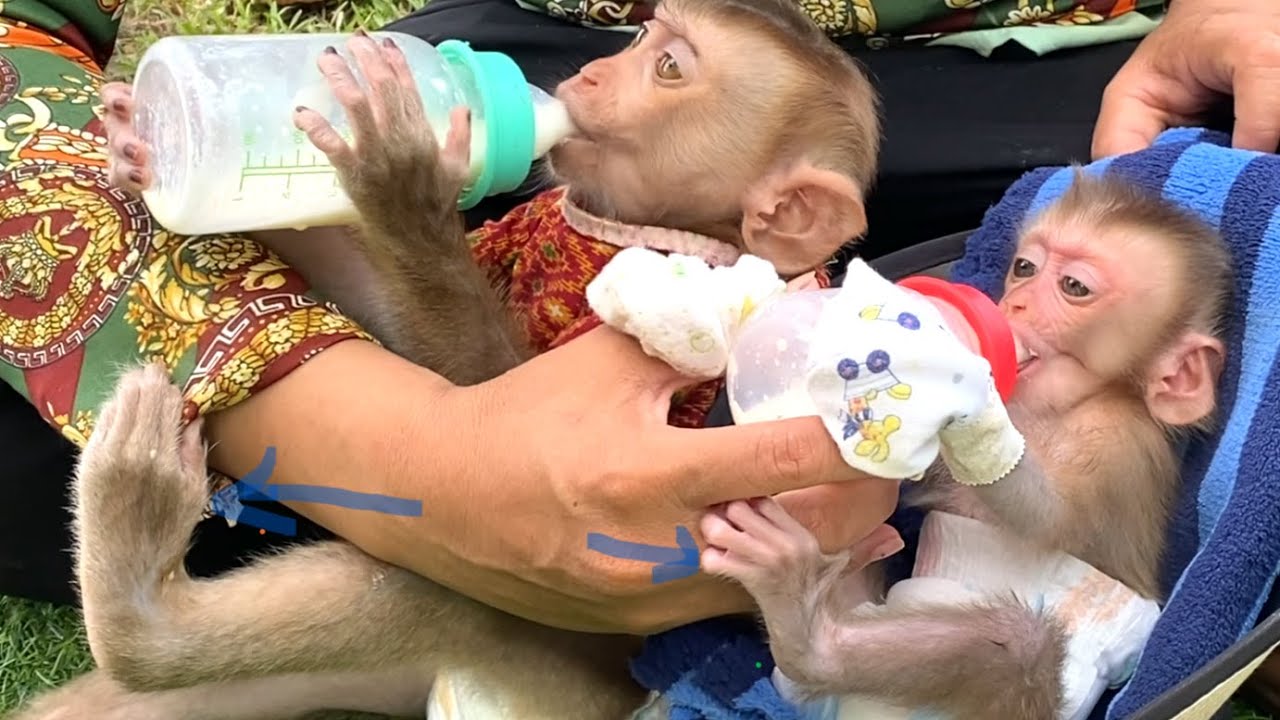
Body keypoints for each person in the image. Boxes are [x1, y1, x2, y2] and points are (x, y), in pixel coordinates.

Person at [2, 0, 1280, 638]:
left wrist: (389, 227)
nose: (597, 72)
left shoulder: (712, 306)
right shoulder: (602, 194)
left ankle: (166, 618)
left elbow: (498, 390)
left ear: (784, 217)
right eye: (640, 36)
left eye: (661, 60)